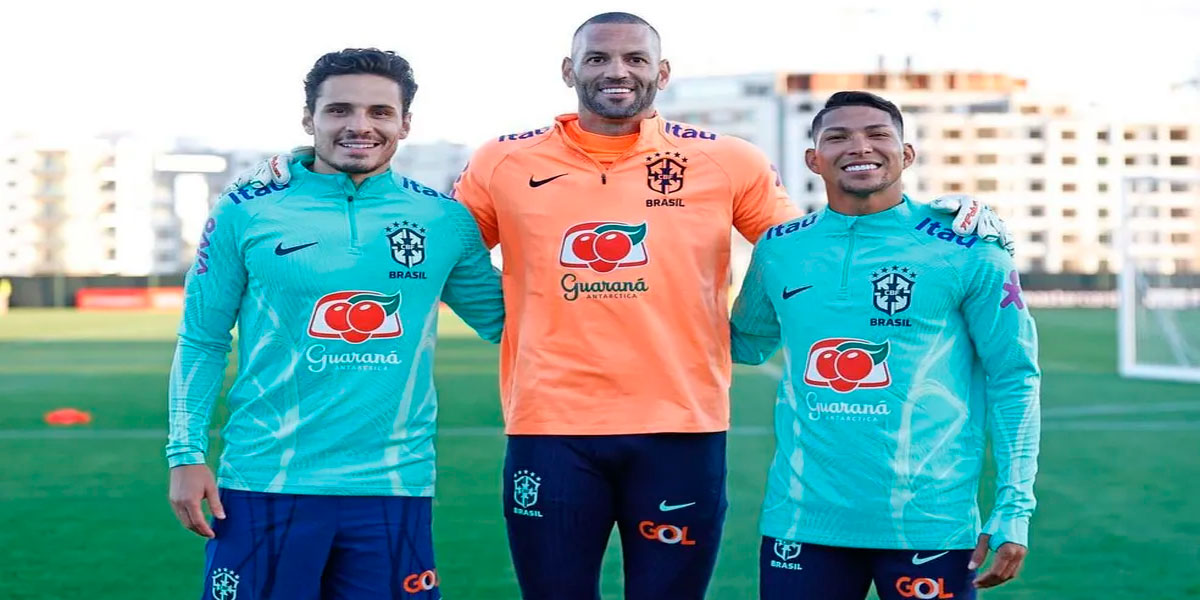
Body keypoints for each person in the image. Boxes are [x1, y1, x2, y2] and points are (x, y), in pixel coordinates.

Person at [226, 14, 1014, 599]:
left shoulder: (727, 161)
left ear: (661, 72)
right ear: (566, 69)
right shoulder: (504, 160)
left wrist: (943, 219)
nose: (617, 70)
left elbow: (820, 247)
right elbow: (423, 241)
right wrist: (303, 181)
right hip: (549, 429)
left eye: (635, 58)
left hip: (681, 429)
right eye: (597, 57)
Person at [166, 48, 503, 600]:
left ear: (404, 124)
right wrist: (185, 454)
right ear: (310, 119)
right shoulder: (245, 209)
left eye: (379, 113)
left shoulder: (443, 219)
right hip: (265, 480)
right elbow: (202, 338)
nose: (359, 126)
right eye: (339, 110)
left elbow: (512, 319)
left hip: (394, 484)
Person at [731, 91, 1040, 600]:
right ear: (813, 159)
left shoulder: (969, 248)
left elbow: (1014, 376)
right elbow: (744, 343)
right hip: (802, 521)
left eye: (878, 134)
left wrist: (1015, 506)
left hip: (930, 522)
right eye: (837, 137)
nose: (860, 147)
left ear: (907, 154)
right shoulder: (779, 248)